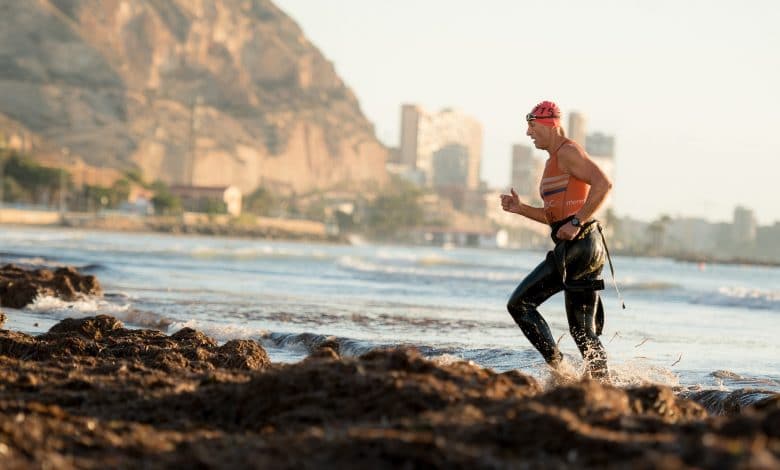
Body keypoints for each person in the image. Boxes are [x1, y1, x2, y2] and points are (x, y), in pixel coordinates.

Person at [501, 100, 613, 380]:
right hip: (582, 245)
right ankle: (604, 385)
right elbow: (555, 217)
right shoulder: (554, 160)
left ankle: (562, 370)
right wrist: (521, 208)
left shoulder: (568, 152)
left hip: (581, 244)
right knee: (582, 331)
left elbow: (603, 184)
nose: (528, 133)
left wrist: (576, 222)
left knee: (520, 304)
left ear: (550, 125)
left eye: (532, 126)